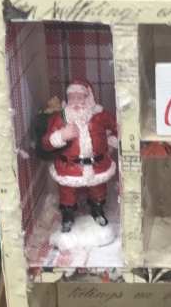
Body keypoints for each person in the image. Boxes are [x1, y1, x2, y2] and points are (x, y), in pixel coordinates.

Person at [42, 79, 118, 233]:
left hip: (97, 165)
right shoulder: (61, 118)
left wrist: (111, 142)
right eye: (72, 97)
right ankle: (68, 215)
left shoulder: (100, 115)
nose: (76, 102)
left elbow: (118, 127)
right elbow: (46, 143)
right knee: (67, 192)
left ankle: (97, 209)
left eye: (80, 97)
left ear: (89, 98)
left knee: (98, 189)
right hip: (69, 166)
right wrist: (61, 135)